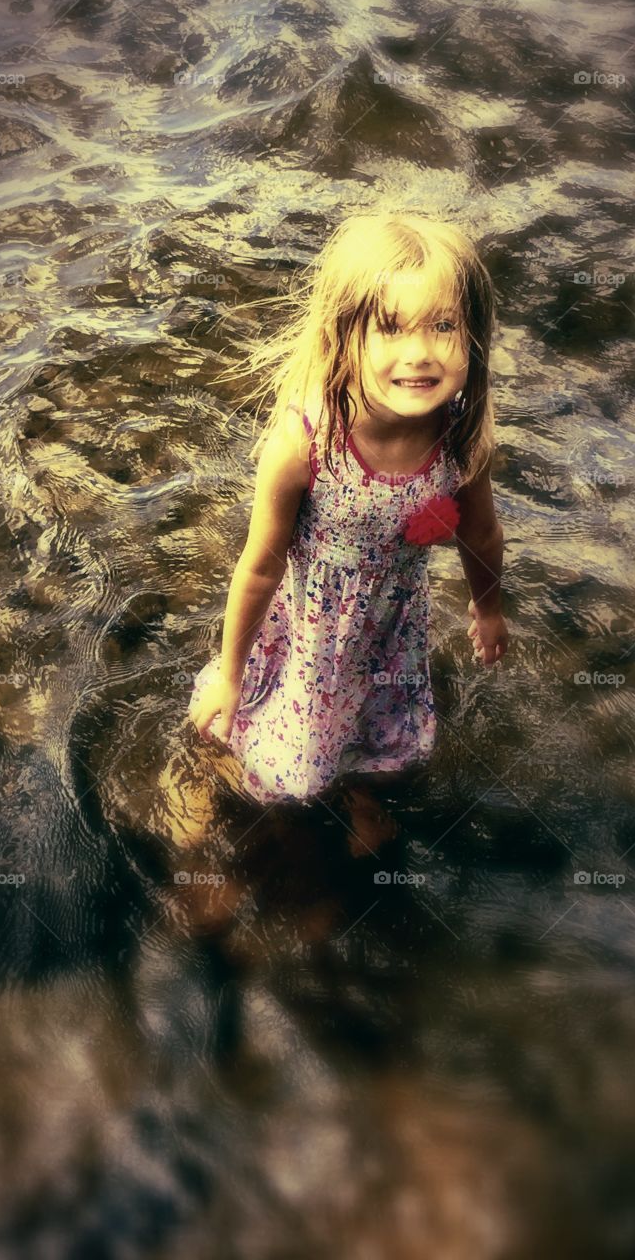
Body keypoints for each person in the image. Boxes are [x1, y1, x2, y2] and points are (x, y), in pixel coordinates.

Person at [187, 210, 508, 834]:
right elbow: (259, 565)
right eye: (389, 329)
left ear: (472, 338)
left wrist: (489, 608)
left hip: (392, 625)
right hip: (312, 629)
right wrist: (229, 675)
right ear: (343, 338)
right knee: (290, 776)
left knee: (384, 743)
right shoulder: (308, 443)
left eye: (443, 326)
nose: (419, 354)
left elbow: (482, 535)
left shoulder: (461, 442)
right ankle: (219, 788)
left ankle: (358, 790)